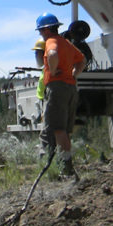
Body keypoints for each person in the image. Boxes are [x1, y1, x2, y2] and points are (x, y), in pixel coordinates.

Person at [36, 13, 86, 177]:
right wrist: (74, 74)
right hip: (71, 87)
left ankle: (65, 168)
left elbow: (52, 54)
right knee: (64, 129)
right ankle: (65, 164)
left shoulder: (51, 41)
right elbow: (82, 59)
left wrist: (53, 69)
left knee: (57, 129)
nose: (40, 34)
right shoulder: (67, 43)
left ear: (46, 29)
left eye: (41, 30)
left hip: (57, 87)